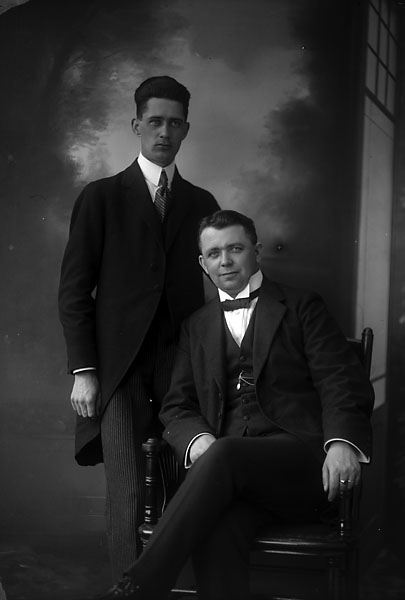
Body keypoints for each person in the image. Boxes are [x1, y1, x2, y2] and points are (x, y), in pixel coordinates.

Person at [92, 209, 374, 600]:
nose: (224, 261)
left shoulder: (303, 306)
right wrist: (198, 441)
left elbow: (340, 380)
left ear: (256, 251)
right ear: (202, 264)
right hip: (234, 482)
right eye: (214, 254)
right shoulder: (196, 326)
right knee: (217, 529)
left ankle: (139, 586)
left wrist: (342, 442)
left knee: (224, 454)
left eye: (235, 249)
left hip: (302, 471)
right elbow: (177, 406)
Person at [58, 76, 219, 577]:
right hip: (119, 369)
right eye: (155, 121)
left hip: (180, 368)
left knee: (183, 486)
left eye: (175, 123)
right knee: (128, 491)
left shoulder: (201, 203)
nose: (164, 132)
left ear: (186, 129)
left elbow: (222, 283)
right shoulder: (102, 197)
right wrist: (84, 371)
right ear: (136, 125)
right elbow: (74, 292)